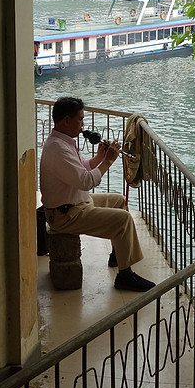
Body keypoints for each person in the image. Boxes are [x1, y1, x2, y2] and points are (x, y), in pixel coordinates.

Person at [39, 96, 155, 292]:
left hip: (74, 203)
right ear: (66, 120)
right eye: (80, 119)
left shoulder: (64, 142)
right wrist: (108, 161)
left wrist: (100, 156)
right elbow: (85, 182)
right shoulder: (58, 149)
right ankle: (125, 275)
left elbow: (83, 168)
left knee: (118, 201)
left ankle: (118, 254)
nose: (83, 124)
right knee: (123, 219)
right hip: (65, 214)